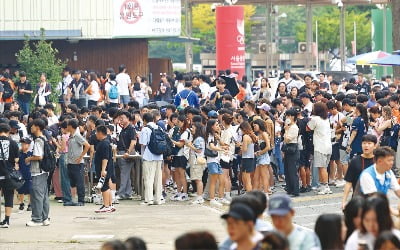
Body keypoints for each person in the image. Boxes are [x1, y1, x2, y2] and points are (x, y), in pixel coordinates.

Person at [25, 119, 50, 227]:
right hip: (44, 171)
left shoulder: (38, 140)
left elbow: (39, 156)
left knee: (37, 196)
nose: (31, 128)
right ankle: (44, 218)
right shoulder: (44, 138)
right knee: (43, 196)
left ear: (38, 127)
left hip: (38, 170)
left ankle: (36, 219)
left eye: (33, 126)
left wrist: (29, 159)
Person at [342, 134, 377, 209]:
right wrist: (344, 201)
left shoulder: (378, 161)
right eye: (364, 143)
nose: (366, 146)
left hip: (375, 201)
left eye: (369, 143)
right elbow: (349, 182)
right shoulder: (355, 161)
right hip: (358, 200)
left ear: (375, 146)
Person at [307, 102, 332, 195]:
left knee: (322, 168)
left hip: (320, 147)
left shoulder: (315, 119)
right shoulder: (326, 119)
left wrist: (309, 118)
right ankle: (322, 185)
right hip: (328, 146)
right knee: (323, 167)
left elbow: (308, 128)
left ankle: (326, 187)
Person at [139, 113, 163, 205]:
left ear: (144, 120)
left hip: (148, 156)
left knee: (148, 178)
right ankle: (157, 199)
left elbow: (143, 143)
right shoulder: (159, 128)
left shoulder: (145, 129)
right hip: (159, 156)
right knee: (158, 178)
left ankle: (149, 199)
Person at [66, 118, 90, 206]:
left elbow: (87, 145)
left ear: (70, 126)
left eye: (68, 125)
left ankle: (81, 200)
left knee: (79, 182)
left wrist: (81, 156)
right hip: (70, 162)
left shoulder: (77, 136)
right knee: (72, 182)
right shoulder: (70, 136)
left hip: (78, 163)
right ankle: (73, 200)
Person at [0, 123, 20, 228]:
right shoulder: (13, 143)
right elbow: (16, 159)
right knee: (8, 196)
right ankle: (6, 220)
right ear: (8, 131)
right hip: (8, 174)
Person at [205, 119, 228, 207]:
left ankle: (219, 197)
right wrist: (222, 149)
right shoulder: (210, 136)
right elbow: (212, 147)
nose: (218, 126)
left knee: (218, 180)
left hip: (216, 160)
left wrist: (219, 138)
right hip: (212, 161)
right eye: (216, 125)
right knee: (213, 181)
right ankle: (212, 199)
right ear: (212, 126)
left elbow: (221, 143)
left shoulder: (214, 135)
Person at [115, 110, 137, 200]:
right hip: (121, 153)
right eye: (120, 118)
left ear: (128, 118)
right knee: (126, 174)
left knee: (124, 173)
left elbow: (133, 141)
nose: (121, 120)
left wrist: (128, 151)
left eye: (122, 118)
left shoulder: (131, 128)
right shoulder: (123, 129)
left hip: (126, 153)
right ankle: (127, 193)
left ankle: (121, 193)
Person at [94, 125, 115, 213]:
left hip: (104, 169)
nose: (96, 134)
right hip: (107, 168)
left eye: (96, 132)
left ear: (100, 133)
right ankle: (109, 205)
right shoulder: (106, 142)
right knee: (106, 186)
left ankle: (107, 206)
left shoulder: (104, 143)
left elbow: (105, 158)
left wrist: (103, 169)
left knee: (104, 187)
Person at [186, 122, 206, 204]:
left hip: (197, 162)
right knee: (197, 179)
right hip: (195, 161)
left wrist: (189, 145)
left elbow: (199, 150)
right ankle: (199, 196)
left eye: (193, 128)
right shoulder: (198, 138)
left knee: (198, 180)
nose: (192, 129)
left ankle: (199, 197)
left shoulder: (199, 139)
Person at [283, 108, 300, 197]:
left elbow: (287, 139)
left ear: (293, 117)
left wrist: (286, 130)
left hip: (292, 148)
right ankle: (289, 188)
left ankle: (295, 190)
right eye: (287, 115)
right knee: (287, 170)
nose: (287, 117)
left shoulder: (294, 127)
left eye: (289, 116)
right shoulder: (289, 126)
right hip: (288, 148)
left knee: (292, 170)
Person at [239, 121, 257, 193]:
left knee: (247, 179)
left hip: (246, 158)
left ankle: (249, 194)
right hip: (251, 158)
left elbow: (245, 149)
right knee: (248, 177)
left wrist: (240, 146)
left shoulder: (245, 136)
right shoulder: (251, 136)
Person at [17, 137, 32, 212]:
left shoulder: (31, 154)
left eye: (24, 144)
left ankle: (30, 204)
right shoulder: (19, 154)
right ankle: (21, 203)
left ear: (29, 145)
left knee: (30, 190)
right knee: (20, 190)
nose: (23, 145)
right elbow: (16, 162)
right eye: (22, 144)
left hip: (29, 174)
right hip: (21, 174)